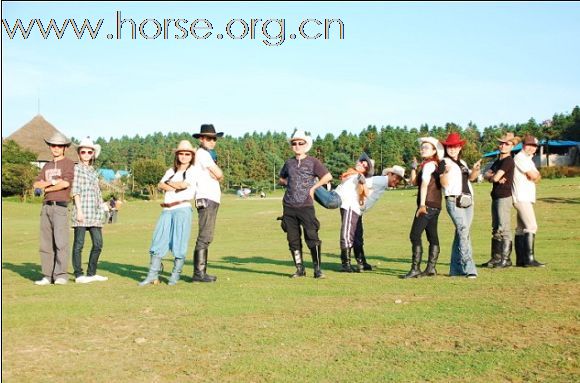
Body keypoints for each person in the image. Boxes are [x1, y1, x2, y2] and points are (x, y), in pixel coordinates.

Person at [139, 140, 199, 286]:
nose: (184, 156)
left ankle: (175, 275)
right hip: (167, 209)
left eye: (187, 154)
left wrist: (169, 185)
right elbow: (160, 185)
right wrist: (174, 186)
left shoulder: (193, 171)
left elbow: (182, 185)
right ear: (177, 155)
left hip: (182, 208)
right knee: (158, 240)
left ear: (191, 156)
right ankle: (152, 275)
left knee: (179, 241)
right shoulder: (171, 171)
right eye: (181, 154)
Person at [279, 130, 332, 279]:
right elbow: (281, 179)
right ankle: (299, 269)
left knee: (312, 236)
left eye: (300, 143)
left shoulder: (313, 161)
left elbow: (328, 176)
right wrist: (287, 182)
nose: (297, 146)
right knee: (293, 239)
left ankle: (318, 269)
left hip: (306, 206)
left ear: (305, 144)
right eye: (294, 143)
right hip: (289, 206)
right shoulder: (288, 163)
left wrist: (314, 187)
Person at [32, 132, 75, 285]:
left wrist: (47, 188)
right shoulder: (47, 166)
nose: (56, 148)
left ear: (65, 148)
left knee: (61, 242)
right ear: (50, 147)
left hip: (60, 207)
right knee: (45, 243)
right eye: (53, 145)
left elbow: (65, 184)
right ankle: (47, 275)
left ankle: (61, 275)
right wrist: (51, 182)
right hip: (46, 207)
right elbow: (36, 184)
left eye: (59, 146)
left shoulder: (69, 164)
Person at [439, 132, 481, 278]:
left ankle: (455, 270)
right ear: (446, 148)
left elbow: (471, 178)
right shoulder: (444, 162)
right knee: (464, 232)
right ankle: (468, 268)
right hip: (454, 200)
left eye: (455, 146)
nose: (452, 149)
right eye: (450, 147)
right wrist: (444, 173)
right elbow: (443, 184)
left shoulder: (462, 163)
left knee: (461, 233)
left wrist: (475, 170)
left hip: (468, 201)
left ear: (459, 148)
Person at [401, 137, 443, 279]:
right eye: (422, 147)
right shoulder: (429, 164)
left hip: (427, 205)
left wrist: (422, 205)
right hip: (436, 205)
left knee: (414, 235)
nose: (422, 149)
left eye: (426, 147)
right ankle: (431, 268)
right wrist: (413, 167)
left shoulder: (430, 165)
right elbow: (414, 182)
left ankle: (416, 268)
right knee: (432, 236)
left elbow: (425, 184)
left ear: (434, 151)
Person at [71, 137, 108, 284]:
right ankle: (79, 274)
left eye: (89, 152)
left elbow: (97, 192)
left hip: (95, 213)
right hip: (82, 211)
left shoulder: (93, 171)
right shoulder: (77, 169)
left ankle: (91, 273)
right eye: (83, 151)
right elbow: (75, 190)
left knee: (98, 244)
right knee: (79, 244)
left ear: (93, 154)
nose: (86, 154)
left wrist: (103, 206)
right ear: (79, 153)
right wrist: (79, 210)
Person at [191, 124, 224, 282]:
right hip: (206, 197)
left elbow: (218, 175)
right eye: (209, 138)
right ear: (201, 139)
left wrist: (216, 174)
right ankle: (199, 273)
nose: (212, 141)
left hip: (211, 198)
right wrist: (216, 173)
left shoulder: (207, 155)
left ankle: (201, 272)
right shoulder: (203, 154)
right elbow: (219, 173)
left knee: (207, 235)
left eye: (214, 139)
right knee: (205, 235)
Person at [482, 132, 520, 268]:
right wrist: (493, 176)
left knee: (504, 228)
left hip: (504, 197)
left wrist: (493, 177)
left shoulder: (508, 161)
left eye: (507, 144)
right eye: (501, 143)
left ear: (512, 146)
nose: (503, 146)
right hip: (496, 195)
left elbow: (495, 177)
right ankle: (496, 258)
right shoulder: (498, 161)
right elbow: (486, 174)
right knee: (496, 228)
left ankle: (506, 259)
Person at [335, 153, 374, 272]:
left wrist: (362, 181)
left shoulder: (358, 176)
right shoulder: (350, 174)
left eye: (364, 164)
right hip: (349, 206)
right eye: (361, 161)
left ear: (366, 170)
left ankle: (346, 264)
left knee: (349, 234)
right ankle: (359, 262)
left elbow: (367, 193)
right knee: (354, 235)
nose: (361, 163)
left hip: (351, 206)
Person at [513, 134, 545, 267]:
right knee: (531, 226)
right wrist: (533, 175)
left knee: (521, 228)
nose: (532, 148)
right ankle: (529, 259)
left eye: (534, 146)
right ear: (523, 145)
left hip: (525, 197)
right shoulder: (520, 157)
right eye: (529, 145)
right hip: (522, 197)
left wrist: (534, 176)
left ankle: (521, 260)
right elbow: (533, 175)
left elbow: (537, 177)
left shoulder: (528, 159)